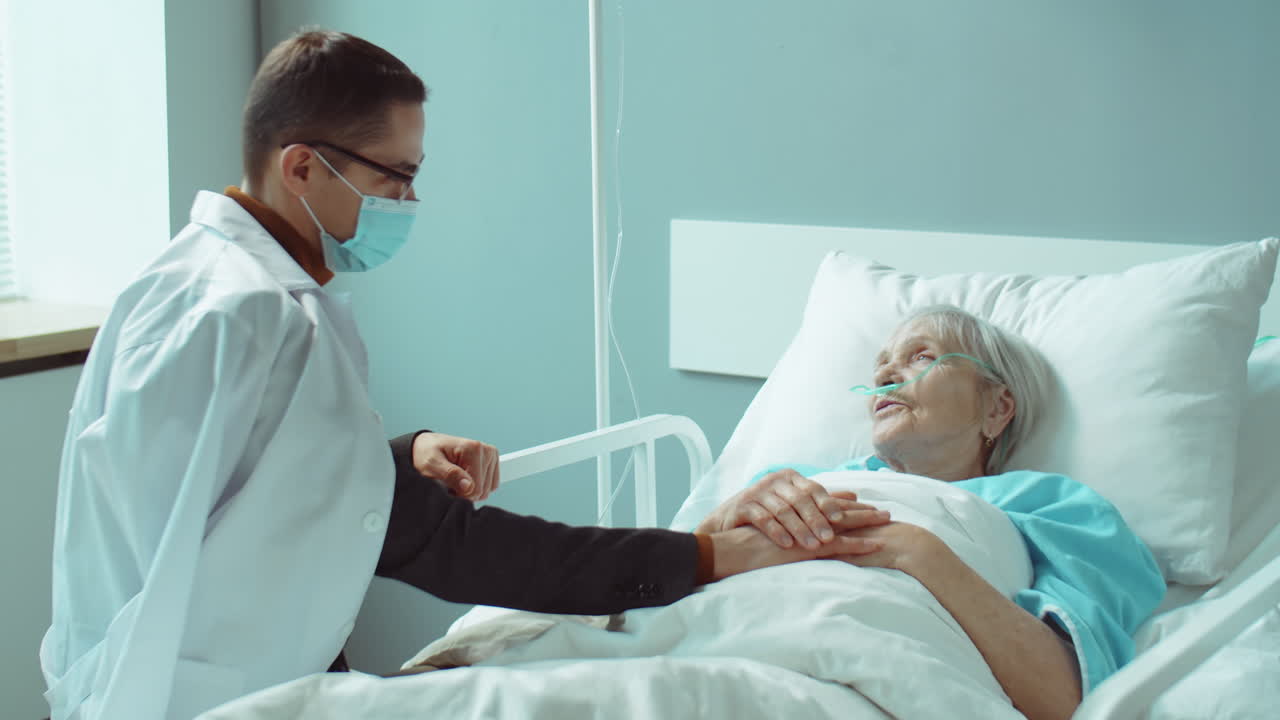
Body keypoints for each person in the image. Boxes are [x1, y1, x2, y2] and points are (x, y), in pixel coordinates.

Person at [39, 30, 892, 720]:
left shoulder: (218, 287)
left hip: (215, 673)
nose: (407, 203)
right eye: (394, 177)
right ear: (301, 166)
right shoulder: (244, 315)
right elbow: (443, 545)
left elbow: (239, 484)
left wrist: (393, 457)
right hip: (192, 696)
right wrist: (706, 554)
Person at [696, 305, 1166, 720]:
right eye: (882, 366)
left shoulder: (1055, 508)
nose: (884, 376)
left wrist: (919, 552)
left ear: (997, 407)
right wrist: (717, 525)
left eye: (921, 356)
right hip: (711, 646)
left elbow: (1062, 702)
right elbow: (668, 589)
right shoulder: (789, 482)